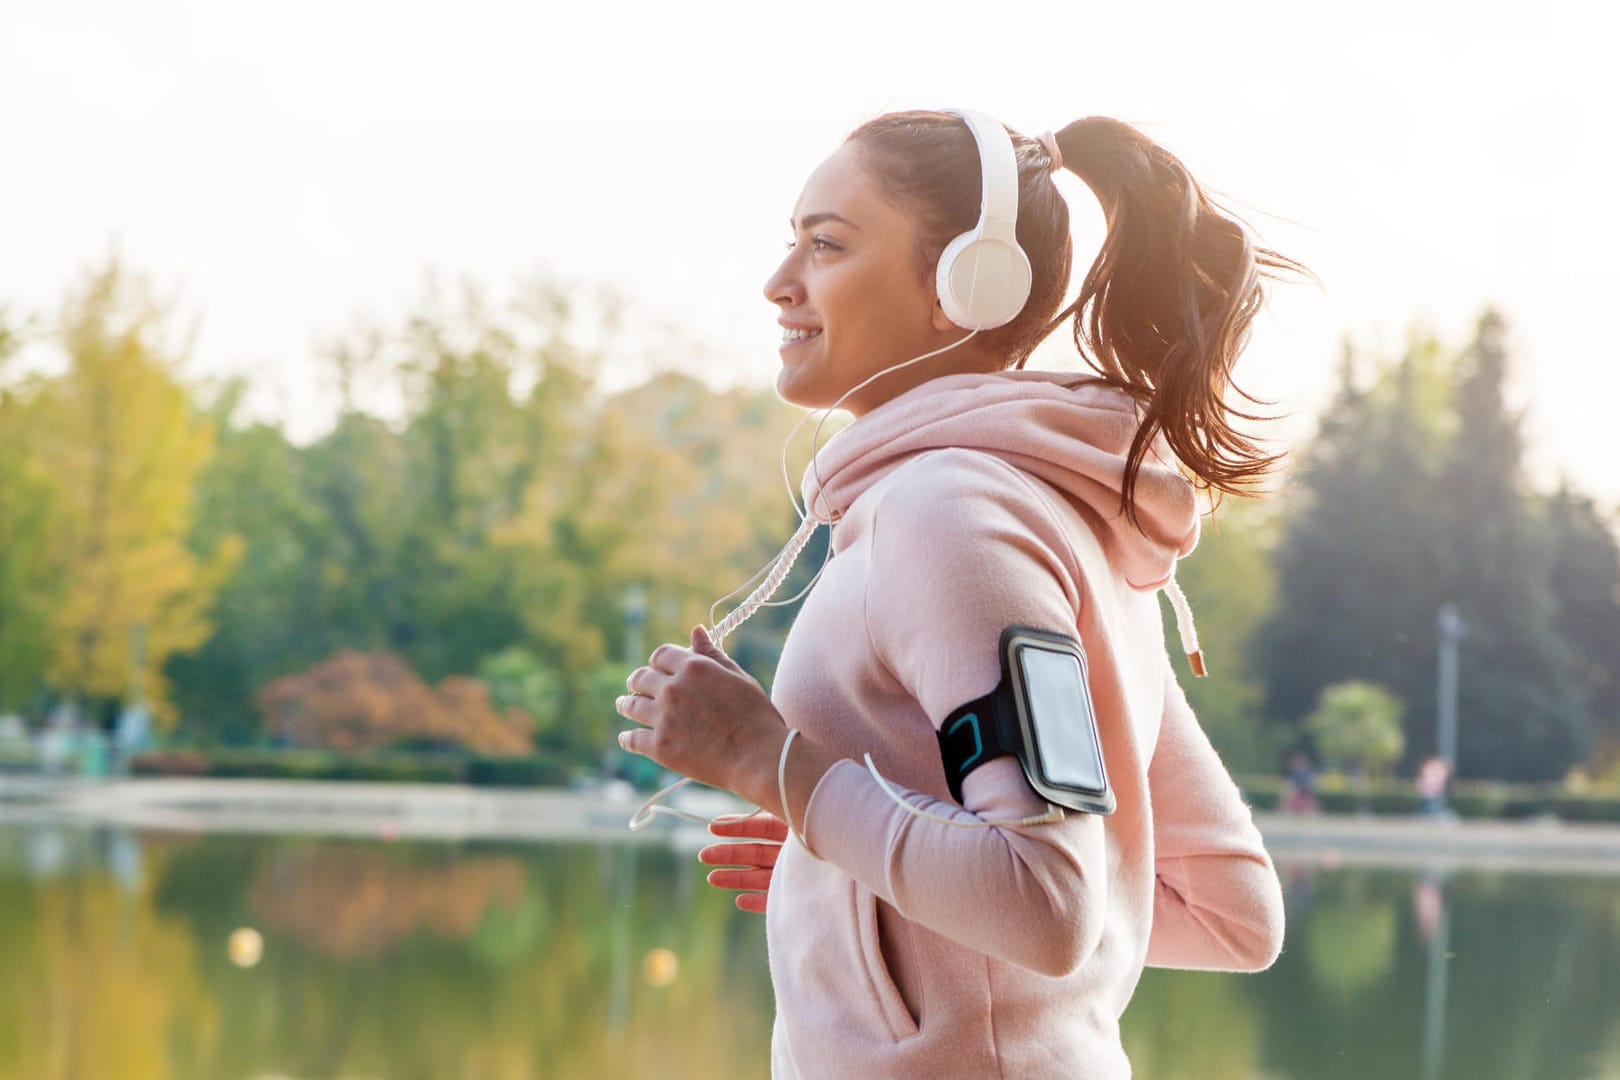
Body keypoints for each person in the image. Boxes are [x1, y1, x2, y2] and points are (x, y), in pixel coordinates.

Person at [614, 108, 1304, 1079]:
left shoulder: (949, 516)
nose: (779, 284)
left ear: (963, 286)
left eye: (827, 245)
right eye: (791, 244)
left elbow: (1050, 905)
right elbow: (1229, 912)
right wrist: (867, 872)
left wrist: (772, 764)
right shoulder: (1058, 523)